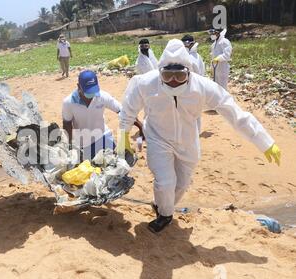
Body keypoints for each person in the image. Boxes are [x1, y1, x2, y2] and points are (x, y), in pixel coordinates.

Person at [118, 39, 281, 234]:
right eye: (168, 75)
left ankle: (161, 204)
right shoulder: (145, 84)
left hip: (188, 141)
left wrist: (264, 141)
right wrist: (123, 138)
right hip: (157, 138)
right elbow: (127, 111)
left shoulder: (202, 87)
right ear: (160, 72)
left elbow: (234, 113)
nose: (173, 81)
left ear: (189, 72)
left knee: (182, 184)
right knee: (165, 182)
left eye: (179, 76)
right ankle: (165, 215)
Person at [63, 70, 143, 161]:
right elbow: (67, 124)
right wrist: (69, 146)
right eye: (88, 92)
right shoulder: (69, 102)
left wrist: (140, 126)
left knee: (115, 164)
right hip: (83, 143)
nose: (92, 95)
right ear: (78, 87)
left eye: (93, 91)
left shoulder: (101, 96)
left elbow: (124, 112)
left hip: (103, 136)